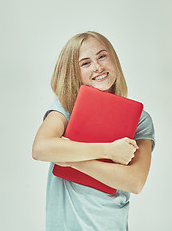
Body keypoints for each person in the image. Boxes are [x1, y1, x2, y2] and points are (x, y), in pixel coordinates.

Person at [32, 31, 155, 231]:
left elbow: (135, 181)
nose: (97, 66)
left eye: (102, 56)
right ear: (74, 72)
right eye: (85, 63)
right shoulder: (65, 109)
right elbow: (41, 149)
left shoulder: (140, 120)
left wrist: (68, 159)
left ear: (113, 59)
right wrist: (109, 151)